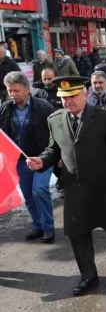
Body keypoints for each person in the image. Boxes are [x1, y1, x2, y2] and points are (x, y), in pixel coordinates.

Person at [26, 77, 106, 296]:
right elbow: (53, 149)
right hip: (74, 187)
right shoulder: (55, 119)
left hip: (104, 186)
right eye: (64, 98)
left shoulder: (104, 117)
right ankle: (88, 276)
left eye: (72, 96)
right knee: (77, 233)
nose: (68, 102)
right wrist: (42, 161)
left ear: (85, 94)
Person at [0, 72, 55, 242]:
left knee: (39, 190)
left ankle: (48, 227)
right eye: (10, 91)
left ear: (27, 88)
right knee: (28, 194)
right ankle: (37, 225)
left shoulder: (44, 107)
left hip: (43, 158)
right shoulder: (5, 109)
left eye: (16, 90)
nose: (13, 94)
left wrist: (56, 155)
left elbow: (56, 131)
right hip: (20, 160)